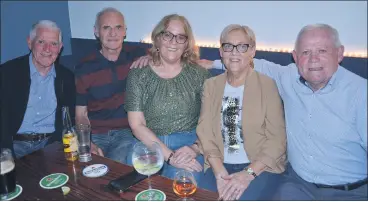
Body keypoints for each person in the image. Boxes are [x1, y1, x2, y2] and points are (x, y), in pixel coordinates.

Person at [206, 24, 367, 200]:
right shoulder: (288, 76)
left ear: (339, 53)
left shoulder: (360, 94)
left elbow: (276, 140)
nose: (313, 59)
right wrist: (210, 63)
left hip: (350, 191)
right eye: (305, 52)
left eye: (322, 50)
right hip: (299, 186)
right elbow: (245, 62)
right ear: (295, 57)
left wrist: (249, 173)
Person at [195, 24, 286, 200]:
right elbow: (205, 132)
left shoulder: (267, 85)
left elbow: (277, 140)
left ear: (252, 51)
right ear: (221, 52)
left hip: (260, 167)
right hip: (219, 163)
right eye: (228, 46)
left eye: (242, 46)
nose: (234, 52)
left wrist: (248, 174)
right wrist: (219, 171)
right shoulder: (211, 86)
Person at [124, 14, 211, 182]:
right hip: (148, 145)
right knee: (138, 190)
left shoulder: (200, 75)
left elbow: (211, 121)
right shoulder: (138, 74)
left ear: (186, 44)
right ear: (158, 39)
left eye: (180, 37)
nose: (173, 42)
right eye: (168, 35)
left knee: (184, 186)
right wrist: (170, 157)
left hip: (187, 145)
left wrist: (196, 148)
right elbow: (137, 125)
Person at [74, 7, 146, 164]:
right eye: (106, 27)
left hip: (125, 132)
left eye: (118, 27)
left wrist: (150, 58)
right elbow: (81, 114)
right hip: (95, 133)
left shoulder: (136, 55)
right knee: (88, 169)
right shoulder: (84, 67)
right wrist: (87, 142)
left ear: (125, 31)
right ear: (96, 32)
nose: (113, 33)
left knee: (116, 168)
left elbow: (167, 54)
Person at [0, 20, 76, 158]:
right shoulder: (7, 73)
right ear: (30, 43)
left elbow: (69, 119)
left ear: (60, 48)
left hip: (51, 144)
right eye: (41, 42)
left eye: (54, 44)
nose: (47, 49)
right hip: (15, 145)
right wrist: (6, 154)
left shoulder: (67, 77)